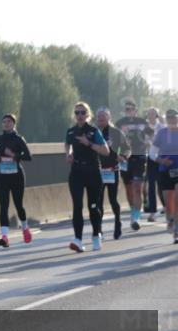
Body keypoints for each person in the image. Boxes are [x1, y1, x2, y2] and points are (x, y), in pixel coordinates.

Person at [64, 102, 110, 252]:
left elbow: (105, 151)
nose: (80, 116)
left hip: (92, 171)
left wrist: (88, 143)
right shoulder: (71, 131)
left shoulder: (94, 131)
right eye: (77, 113)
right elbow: (68, 145)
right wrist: (68, 154)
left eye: (83, 112)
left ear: (88, 115)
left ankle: (96, 236)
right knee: (77, 206)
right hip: (76, 171)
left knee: (93, 206)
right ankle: (78, 240)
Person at [0, 113, 33, 248]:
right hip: (2, 176)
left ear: (14, 123)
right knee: (3, 206)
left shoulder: (19, 139)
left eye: (9, 121)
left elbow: (28, 156)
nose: (6, 124)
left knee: (18, 205)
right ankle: (4, 237)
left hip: (16, 176)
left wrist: (14, 155)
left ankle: (25, 228)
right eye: (4, 122)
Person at [116, 101, 153, 230]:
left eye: (131, 109)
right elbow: (114, 139)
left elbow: (152, 134)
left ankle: (136, 217)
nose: (129, 111)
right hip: (126, 159)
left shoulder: (142, 121)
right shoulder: (119, 123)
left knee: (137, 187)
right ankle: (133, 210)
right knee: (129, 189)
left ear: (136, 110)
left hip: (140, 156)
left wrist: (149, 143)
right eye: (127, 109)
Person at [95, 107, 130, 240]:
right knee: (98, 202)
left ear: (109, 118)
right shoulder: (94, 132)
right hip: (98, 171)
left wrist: (123, 156)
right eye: (99, 118)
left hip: (112, 170)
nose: (101, 120)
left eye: (103, 117)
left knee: (113, 200)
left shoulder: (116, 132)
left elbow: (127, 149)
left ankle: (118, 224)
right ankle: (98, 230)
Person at [150, 109, 178, 243]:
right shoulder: (161, 134)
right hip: (165, 170)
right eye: (170, 118)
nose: (172, 120)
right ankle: (171, 219)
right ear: (166, 120)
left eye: (175, 118)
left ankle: (177, 231)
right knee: (169, 202)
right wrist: (161, 161)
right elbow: (152, 154)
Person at [146, 107, 167, 222]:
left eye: (153, 113)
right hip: (150, 159)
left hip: (161, 158)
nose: (151, 115)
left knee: (162, 185)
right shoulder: (144, 128)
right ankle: (152, 212)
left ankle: (166, 206)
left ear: (157, 115)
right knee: (151, 185)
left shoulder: (163, 128)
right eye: (149, 113)